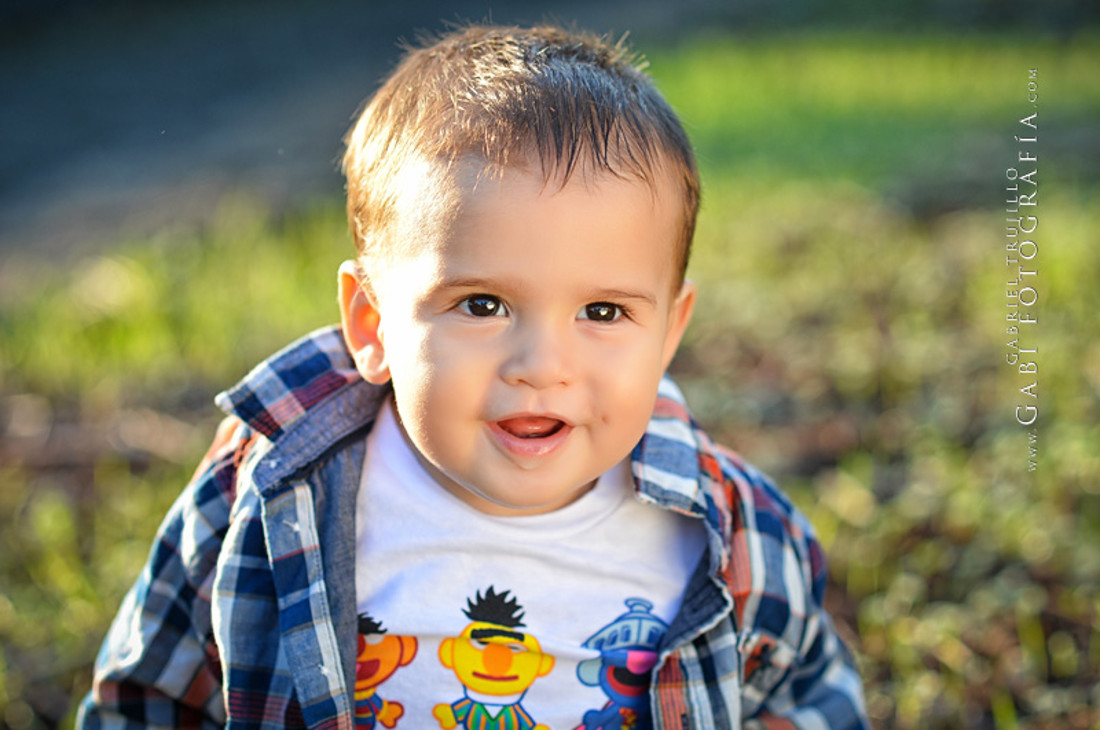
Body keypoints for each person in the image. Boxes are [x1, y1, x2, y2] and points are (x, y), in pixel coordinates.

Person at [79, 23, 868, 729]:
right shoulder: (269, 497)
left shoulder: (735, 539)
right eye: (483, 304)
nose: (542, 367)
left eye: (602, 313)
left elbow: (809, 701)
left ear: (669, 329)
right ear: (372, 324)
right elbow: (147, 699)